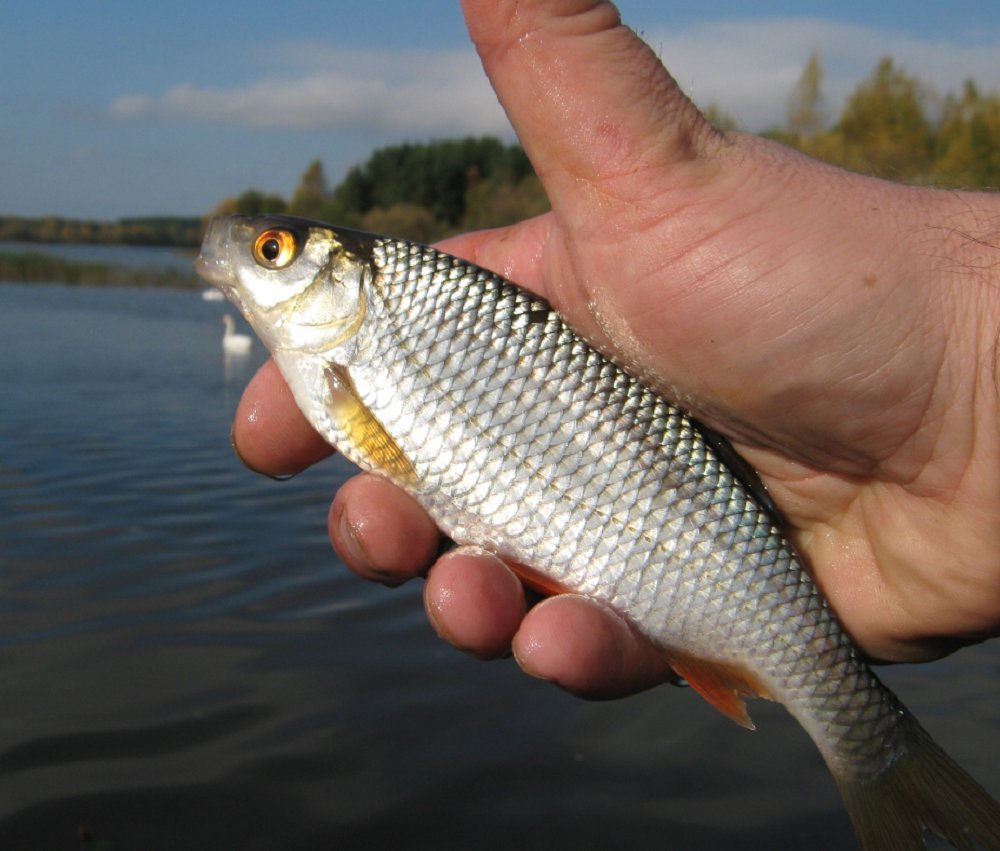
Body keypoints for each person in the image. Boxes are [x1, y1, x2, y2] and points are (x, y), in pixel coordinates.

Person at [230, 0, 1000, 699]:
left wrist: (960, 376)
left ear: (344, 278)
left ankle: (855, 728)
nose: (250, 252)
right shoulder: (353, 345)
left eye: (271, 250)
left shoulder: (354, 348)